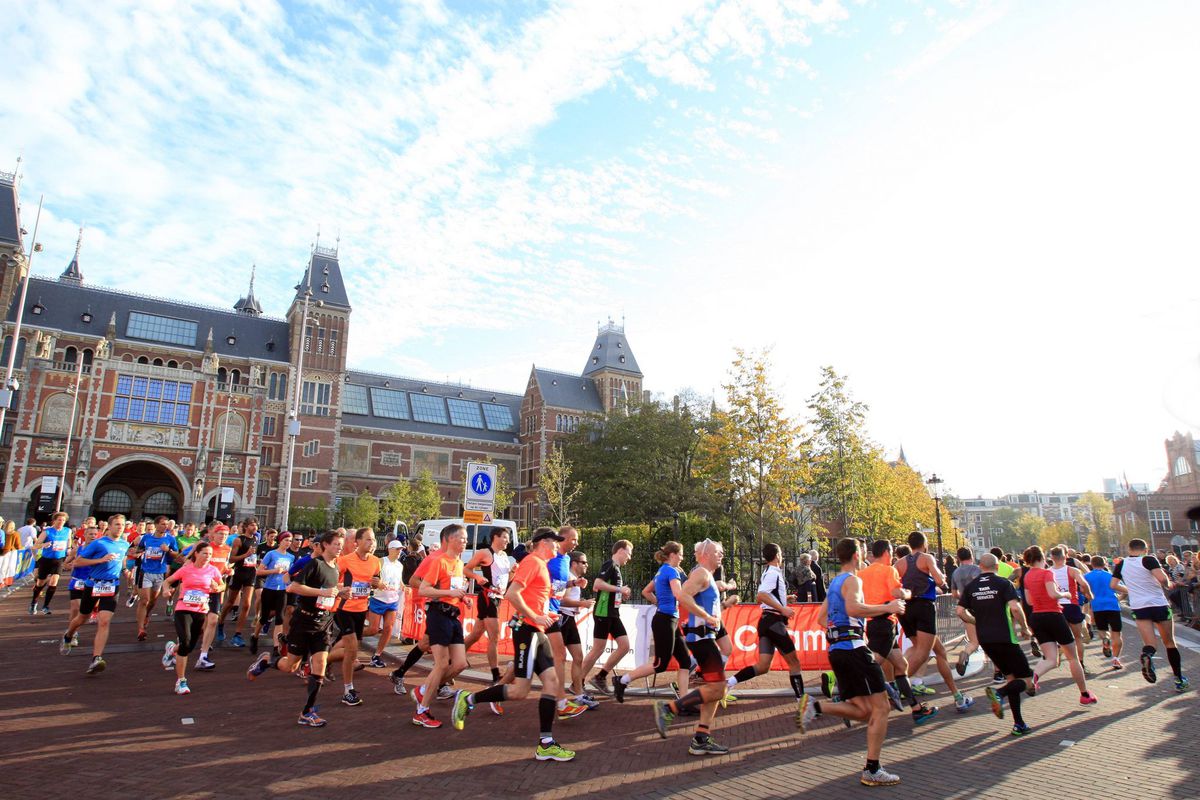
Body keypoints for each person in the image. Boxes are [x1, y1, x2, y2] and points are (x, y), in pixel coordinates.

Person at [450, 527, 576, 762]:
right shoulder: (533, 562)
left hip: (537, 630)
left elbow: (533, 597)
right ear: (542, 543)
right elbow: (512, 594)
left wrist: (546, 614)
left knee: (551, 682)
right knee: (520, 691)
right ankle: (468, 699)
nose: (558, 546)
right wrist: (535, 616)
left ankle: (546, 743)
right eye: (554, 542)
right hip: (526, 631)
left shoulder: (541, 566)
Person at [801, 538, 905, 786]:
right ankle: (872, 769)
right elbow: (855, 608)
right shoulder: (853, 580)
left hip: (838, 650)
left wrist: (838, 631)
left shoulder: (835, 582)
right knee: (881, 709)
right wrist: (887, 607)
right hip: (855, 649)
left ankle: (815, 707)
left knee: (863, 711)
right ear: (857, 555)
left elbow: (820, 618)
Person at [248, 530, 349, 727]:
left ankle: (307, 711)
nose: (339, 548)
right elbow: (292, 587)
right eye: (336, 544)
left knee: (320, 662)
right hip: (304, 622)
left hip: (324, 623)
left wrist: (339, 594)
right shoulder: (314, 564)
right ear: (325, 545)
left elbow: (327, 593)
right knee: (290, 666)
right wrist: (324, 591)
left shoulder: (335, 568)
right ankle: (267, 661)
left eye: (341, 545)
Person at [651, 539, 733, 756]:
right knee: (718, 688)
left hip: (707, 637)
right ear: (705, 554)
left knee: (715, 690)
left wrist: (720, 612)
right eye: (718, 552)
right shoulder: (701, 574)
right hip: (701, 640)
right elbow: (682, 596)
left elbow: (707, 607)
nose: (721, 555)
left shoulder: (708, 576)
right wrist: (706, 616)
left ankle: (701, 737)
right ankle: (670, 708)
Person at [723, 543, 810, 728]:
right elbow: (761, 595)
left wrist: (785, 600)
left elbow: (766, 596)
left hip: (765, 623)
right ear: (778, 555)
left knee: (763, 666)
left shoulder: (769, 572)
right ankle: (802, 704)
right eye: (781, 553)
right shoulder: (772, 573)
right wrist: (783, 609)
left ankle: (728, 683)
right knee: (794, 663)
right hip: (774, 623)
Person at [955, 554, 1035, 736]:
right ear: (997, 567)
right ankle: (999, 694)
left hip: (986, 640)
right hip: (1005, 637)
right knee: (1027, 681)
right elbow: (1015, 608)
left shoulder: (971, 586)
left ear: (980, 566)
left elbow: (959, 611)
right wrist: (1024, 627)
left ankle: (1019, 723)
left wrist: (976, 621)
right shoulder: (1003, 583)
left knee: (1011, 678)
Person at [858, 539, 934, 725]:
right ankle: (847, 694)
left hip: (874, 622)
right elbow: (897, 593)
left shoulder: (861, 573)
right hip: (884, 623)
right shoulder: (888, 570)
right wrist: (909, 593)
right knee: (872, 664)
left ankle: (916, 709)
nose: (892, 556)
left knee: (901, 665)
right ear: (886, 551)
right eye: (891, 551)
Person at [895, 531, 973, 711]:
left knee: (939, 651)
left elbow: (896, 585)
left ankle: (957, 695)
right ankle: (894, 686)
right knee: (922, 653)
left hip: (906, 609)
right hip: (923, 606)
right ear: (924, 543)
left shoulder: (899, 563)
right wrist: (940, 580)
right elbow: (939, 579)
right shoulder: (926, 558)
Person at [614, 541, 691, 704]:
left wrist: (659, 603)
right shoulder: (671, 571)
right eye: (681, 555)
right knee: (660, 664)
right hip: (665, 620)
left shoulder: (662, 570)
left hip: (668, 619)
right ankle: (622, 680)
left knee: (685, 660)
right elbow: (679, 594)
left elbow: (646, 591)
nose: (682, 558)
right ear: (673, 555)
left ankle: (683, 702)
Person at [1021, 545, 1097, 704]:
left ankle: (1033, 677)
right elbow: (1053, 594)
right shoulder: (1047, 572)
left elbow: (1028, 601)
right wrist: (1066, 594)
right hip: (1054, 615)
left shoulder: (1027, 575)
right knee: (1073, 658)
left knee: (1051, 659)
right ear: (1042, 558)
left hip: (1037, 617)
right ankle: (1084, 694)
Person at [1112, 538, 1190, 692]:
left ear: (1129, 549)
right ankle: (1179, 679)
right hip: (1158, 604)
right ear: (1145, 549)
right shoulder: (1148, 559)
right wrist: (1169, 584)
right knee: (1169, 643)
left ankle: (1147, 655)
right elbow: (1162, 579)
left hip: (1139, 607)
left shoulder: (1121, 564)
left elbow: (1113, 585)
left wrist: (1131, 590)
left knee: (1150, 644)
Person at [412, 524, 470, 728]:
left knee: (461, 663)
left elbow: (454, 590)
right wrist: (449, 594)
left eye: (466, 538)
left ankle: (423, 689)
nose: (465, 541)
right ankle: (422, 711)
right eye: (461, 538)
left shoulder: (460, 563)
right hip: (438, 615)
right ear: (450, 539)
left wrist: (463, 599)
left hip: (453, 615)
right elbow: (424, 590)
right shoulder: (439, 561)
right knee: (442, 664)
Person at [59, 514, 131, 674]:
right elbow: (77, 562)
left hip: (112, 586)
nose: (120, 527)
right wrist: (100, 560)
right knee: (82, 618)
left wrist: (125, 570)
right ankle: (68, 634)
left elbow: (121, 560)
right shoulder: (98, 543)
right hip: (93, 584)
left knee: (104, 621)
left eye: (122, 525)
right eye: (117, 525)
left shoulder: (124, 544)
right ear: (109, 527)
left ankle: (96, 658)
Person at [161, 541, 226, 695]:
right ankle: (181, 681)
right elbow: (167, 581)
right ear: (196, 553)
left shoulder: (213, 570)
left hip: (200, 610)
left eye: (210, 554)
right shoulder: (186, 569)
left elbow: (222, 585)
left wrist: (218, 588)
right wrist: (165, 591)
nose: (208, 557)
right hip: (183, 608)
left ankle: (171, 649)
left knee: (189, 646)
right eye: (205, 553)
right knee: (185, 642)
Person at [330, 527, 381, 707]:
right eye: (368, 539)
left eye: (373, 539)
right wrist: (341, 587)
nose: (372, 543)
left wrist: (378, 584)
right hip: (344, 608)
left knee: (351, 650)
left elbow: (375, 584)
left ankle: (322, 660)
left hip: (361, 609)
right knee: (352, 648)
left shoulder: (376, 562)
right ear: (356, 542)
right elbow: (330, 581)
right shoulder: (344, 561)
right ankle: (348, 690)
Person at [544, 526, 588, 720]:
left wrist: (573, 584)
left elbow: (557, 586)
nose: (576, 543)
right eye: (574, 539)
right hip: (543, 613)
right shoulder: (546, 559)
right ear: (562, 539)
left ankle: (565, 700)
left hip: (555, 614)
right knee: (526, 670)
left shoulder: (566, 560)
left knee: (566, 656)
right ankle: (496, 689)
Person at [461, 527, 513, 690]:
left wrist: (514, 573)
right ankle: (495, 674)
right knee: (494, 638)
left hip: (498, 598)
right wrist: (477, 577)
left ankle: (455, 658)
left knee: (476, 634)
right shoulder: (485, 553)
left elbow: (507, 579)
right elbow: (466, 569)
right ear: (495, 537)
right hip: (487, 598)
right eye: (505, 537)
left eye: (508, 538)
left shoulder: (504, 556)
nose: (507, 540)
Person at [582, 539, 633, 695]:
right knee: (598, 649)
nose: (629, 558)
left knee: (624, 646)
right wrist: (619, 589)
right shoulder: (609, 564)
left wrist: (621, 594)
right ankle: (578, 681)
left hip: (613, 613)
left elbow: (607, 589)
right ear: (621, 550)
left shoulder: (616, 568)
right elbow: (597, 584)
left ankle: (600, 676)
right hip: (603, 613)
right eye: (629, 553)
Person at [560, 550, 598, 709]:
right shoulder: (569, 577)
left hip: (569, 619)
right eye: (584, 562)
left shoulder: (575, 579)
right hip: (562, 619)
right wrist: (581, 604)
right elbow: (562, 601)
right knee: (555, 659)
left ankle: (579, 694)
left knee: (578, 657)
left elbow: (570, 599)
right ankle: (510, 675)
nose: (586, 565)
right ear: (574, 563)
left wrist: (580, 602)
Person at [131, 515, 179, 641]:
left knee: (152, 601)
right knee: (144, 600)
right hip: (145, 572)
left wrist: (168, 550)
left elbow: (177, 555)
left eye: (166, 524)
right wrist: (137, 553)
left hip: (160, 573)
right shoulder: (146, 537)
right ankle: (141, 629)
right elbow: (138, 549)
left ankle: (147, 614)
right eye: (163, 524)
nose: (165, 526)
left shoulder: (170, 539)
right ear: (156, 525)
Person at [217, 517, 260, 647]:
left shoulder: (256, 539)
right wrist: (245, 555)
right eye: (252, 525)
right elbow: (231, 559)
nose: (255, 528)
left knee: (247, 604)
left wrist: (256, 562)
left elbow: (253, 556)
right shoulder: (238, 540)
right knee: (230, 602)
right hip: (239, 573)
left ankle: (238, 634)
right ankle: (220, 623)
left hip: (251, 573)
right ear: (246, 527)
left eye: (256, 526)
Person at [1048, 546, 1094, 666]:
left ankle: (1057, 655)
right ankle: (1081, 663)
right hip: (1072, 605)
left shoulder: (1048, 572)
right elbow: (1083, 583)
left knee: (1060, 637)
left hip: (1056, 607)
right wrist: (1089, 594)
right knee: (1078, 638)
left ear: (1051, 558)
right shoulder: (1073, 570)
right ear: (1066, 556)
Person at [253, 532, 296, 659]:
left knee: (279, 618)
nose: (288, 543)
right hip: (269, 588)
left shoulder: (291, 557)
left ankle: (276, 647)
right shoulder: (271, 554)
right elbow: (259, 571)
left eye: (290, 540)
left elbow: (290, 573)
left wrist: (291, 578)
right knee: (264, 617)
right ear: (280, 541)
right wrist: (274, 571)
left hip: (282, 590)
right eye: (286, 540)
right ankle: (255, 636)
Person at [365, 539, 406, 668]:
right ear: (390, 549)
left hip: (392, 600)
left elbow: (399, 581)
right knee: (373, 629)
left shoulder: (400, 565)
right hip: (378, 599)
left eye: (401, 549)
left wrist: (405, 587)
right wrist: (378, 583)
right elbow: (371, 578)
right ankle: (353, 635)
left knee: (388, 628)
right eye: (397, 549)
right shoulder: (381, 562)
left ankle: (377, 655)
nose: (400, 552)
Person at [1085, 555, 1125, 670]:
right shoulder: (1111, 576)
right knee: (1117, 633)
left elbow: (1083, 590)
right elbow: (1124, 590)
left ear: (1092, 564)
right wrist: (1119, 598)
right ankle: (1116, 659)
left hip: (1097, 606)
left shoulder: (1087, 576)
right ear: (1104, 564)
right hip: (1113, 605)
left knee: (1102, 630)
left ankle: (1104, 640)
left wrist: (1089, 598)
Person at [30, 511, 72, 615]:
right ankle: (34, 602)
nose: (61, 522)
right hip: (46, 560)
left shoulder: (68, 531)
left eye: (63, 520)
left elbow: (69, 541)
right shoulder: (47, 532)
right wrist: (44, 545)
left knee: (54, 582)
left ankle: (46, 606)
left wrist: (69, 548)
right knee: (40, 583)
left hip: (58, 560)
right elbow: (35, 546)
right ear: (54, 520)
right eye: (59, 520)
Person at [950, 547, 981, 676]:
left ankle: (965, 653)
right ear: (971, 556)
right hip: (979, 606)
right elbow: (979, 586)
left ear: (958, 558)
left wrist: (963, 598)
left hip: (965, 608)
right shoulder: (976, 569)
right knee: (990, 639)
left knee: (974, 641)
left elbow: (953, 593)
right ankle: (998, 672)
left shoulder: (955, 573)